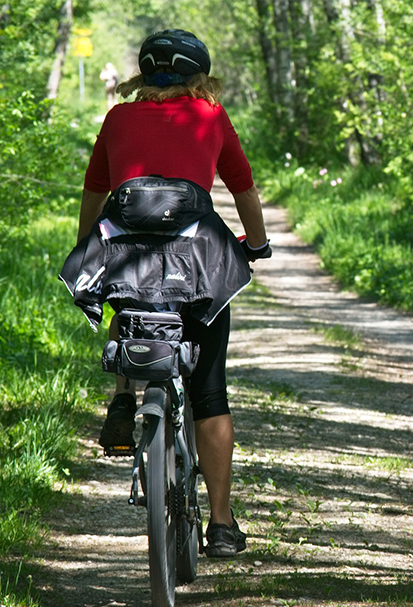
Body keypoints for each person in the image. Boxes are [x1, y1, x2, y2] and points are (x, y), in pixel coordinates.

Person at [76, 29, 271, 557]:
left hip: (127, 253)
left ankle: (122, 395)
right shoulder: (210, 115)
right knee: (210, 391)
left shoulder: (117, 118)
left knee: (127, 292)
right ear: (198, 76)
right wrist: (257, 245)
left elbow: (96, 192)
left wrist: (86, 248)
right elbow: (243, 188)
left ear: (143, 74)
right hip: (197, 259)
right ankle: (223, 524)